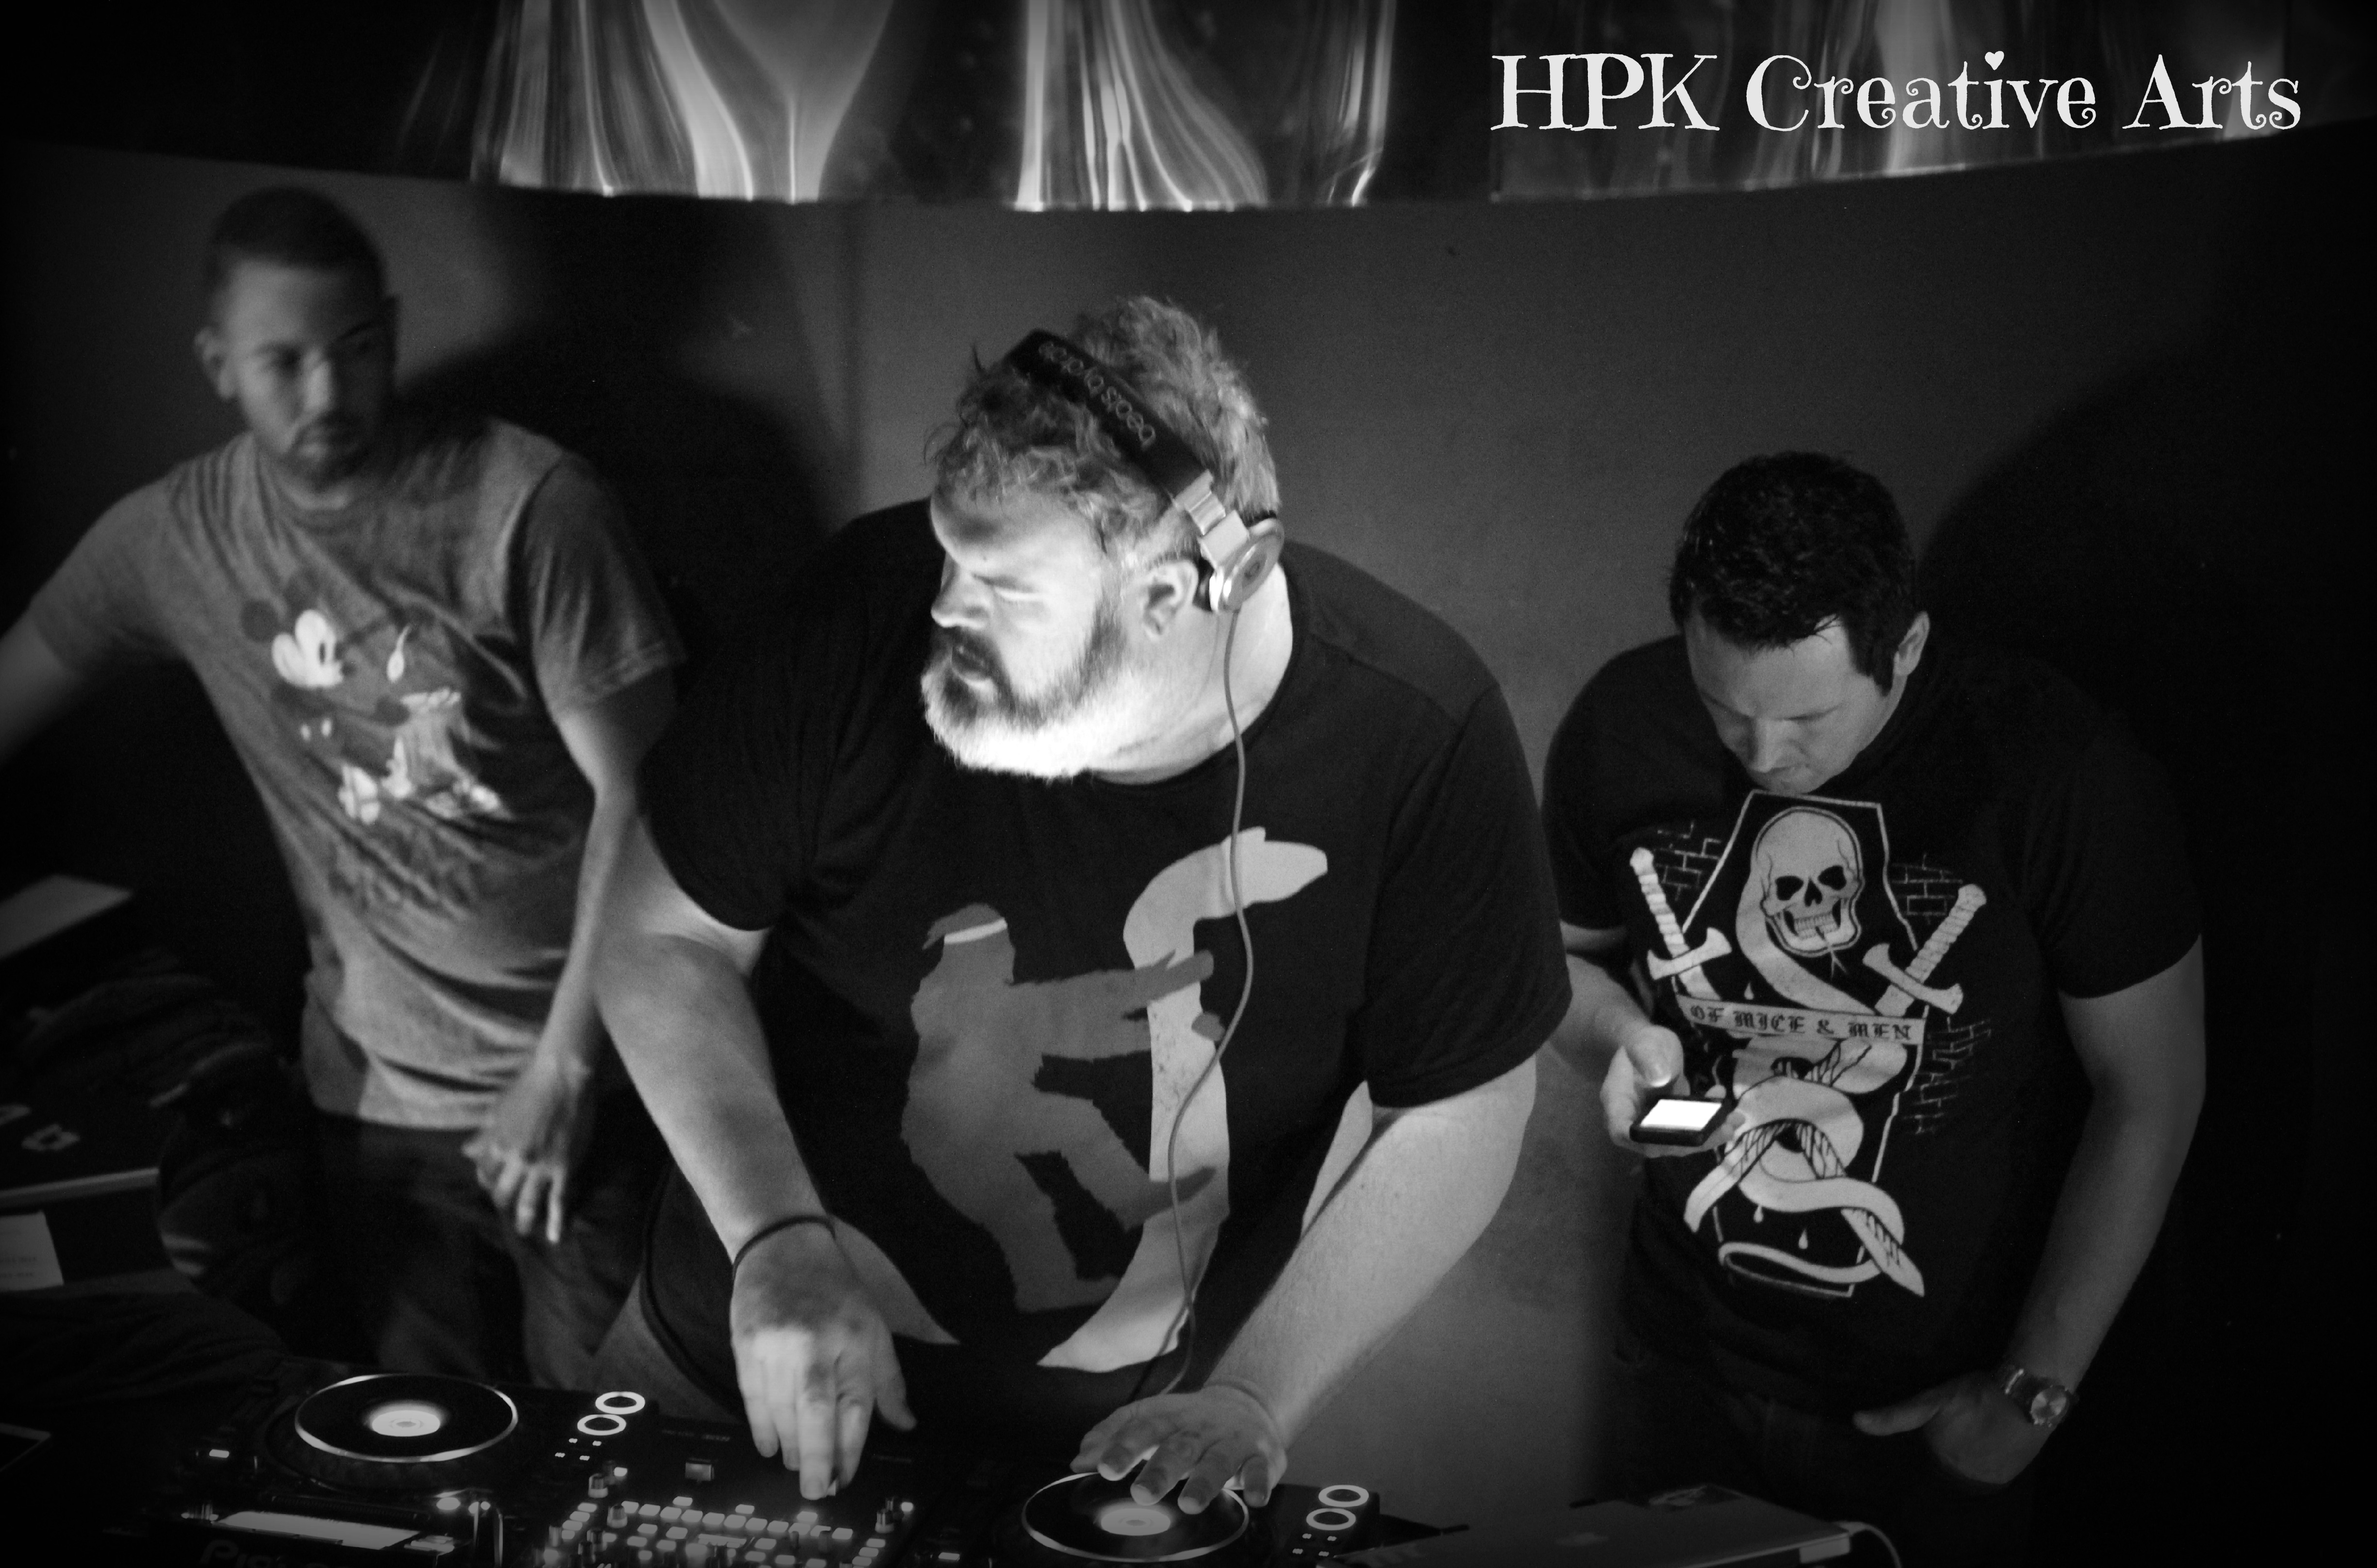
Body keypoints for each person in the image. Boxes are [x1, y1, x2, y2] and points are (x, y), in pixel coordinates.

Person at [592, 297, 1567, 1510]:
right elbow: (660, 936)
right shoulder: (855, 614)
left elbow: (1464, 1100)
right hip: (738, 1370)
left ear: (1175, 594)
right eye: (948, 554)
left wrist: (1253, 1396)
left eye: (1003, 586)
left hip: (1115, 1455)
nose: (945, 607)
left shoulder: (1415, 736)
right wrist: (774, 1236)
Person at [0, 188, 683, 1387]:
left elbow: (652, 796)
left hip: (581, 1091)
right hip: (372, 1111)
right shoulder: (177, 538)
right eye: (284, 362)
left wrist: (566, 1070)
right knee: (414, 1444)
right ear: (218, 363)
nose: (327, 394)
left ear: (394, 332)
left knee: (598, 1449)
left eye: (356, 349)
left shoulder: (528, 504)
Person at [1541, 453, 2203, 1565]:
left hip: (1930, 1405)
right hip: (1679, 1363)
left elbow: (2153, 1087)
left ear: (1905, 649)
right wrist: (1615, 1036)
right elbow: (1557, 967)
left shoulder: (2053, 768)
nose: (1763, 754)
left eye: (1807, 716)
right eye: (1723, 708)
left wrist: (2028, 1394)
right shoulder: (1623, 723)